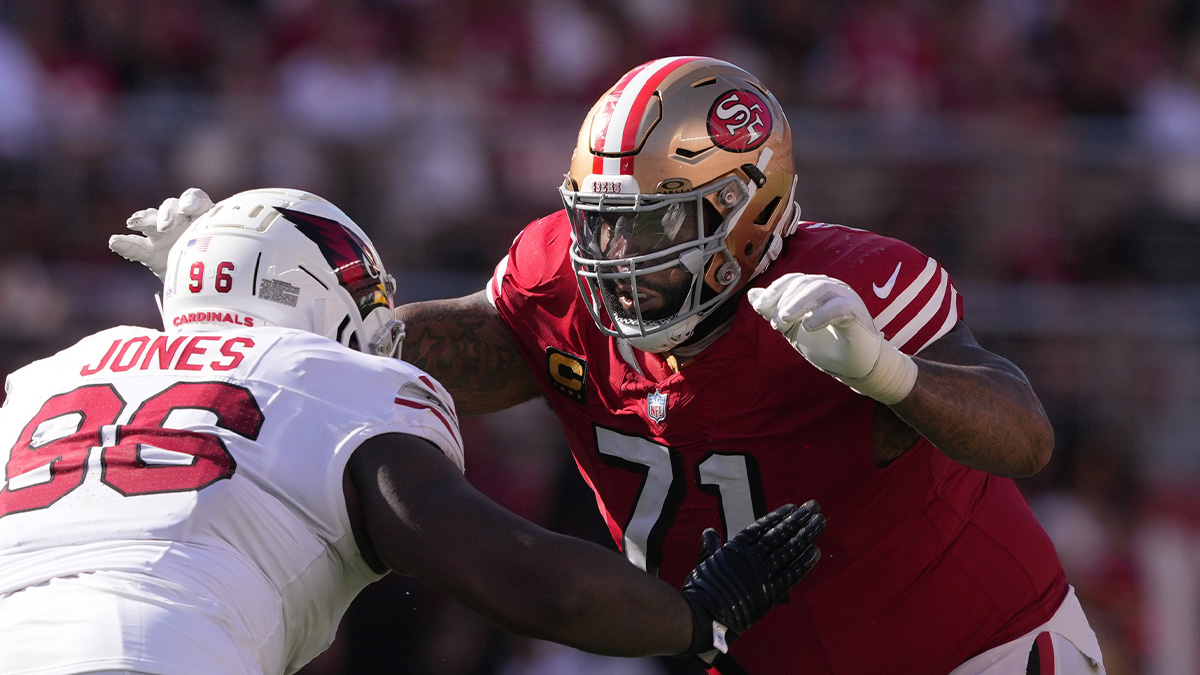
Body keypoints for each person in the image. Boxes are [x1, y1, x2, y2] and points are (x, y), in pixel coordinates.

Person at [112, 56, 1105, 674]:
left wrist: (891, 374)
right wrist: (253, 294)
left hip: (979, 650)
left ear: (746, 214)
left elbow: (1024, 432)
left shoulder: (851, 287)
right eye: (603, 225)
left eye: (656, 226)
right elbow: (433, 348)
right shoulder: (563, 286)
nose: (617, 260)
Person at [2, 187, 827, 675]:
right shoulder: (334, 381)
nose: (381, 321)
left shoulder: (50, 375)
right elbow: (527, 580)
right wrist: (698, 615)